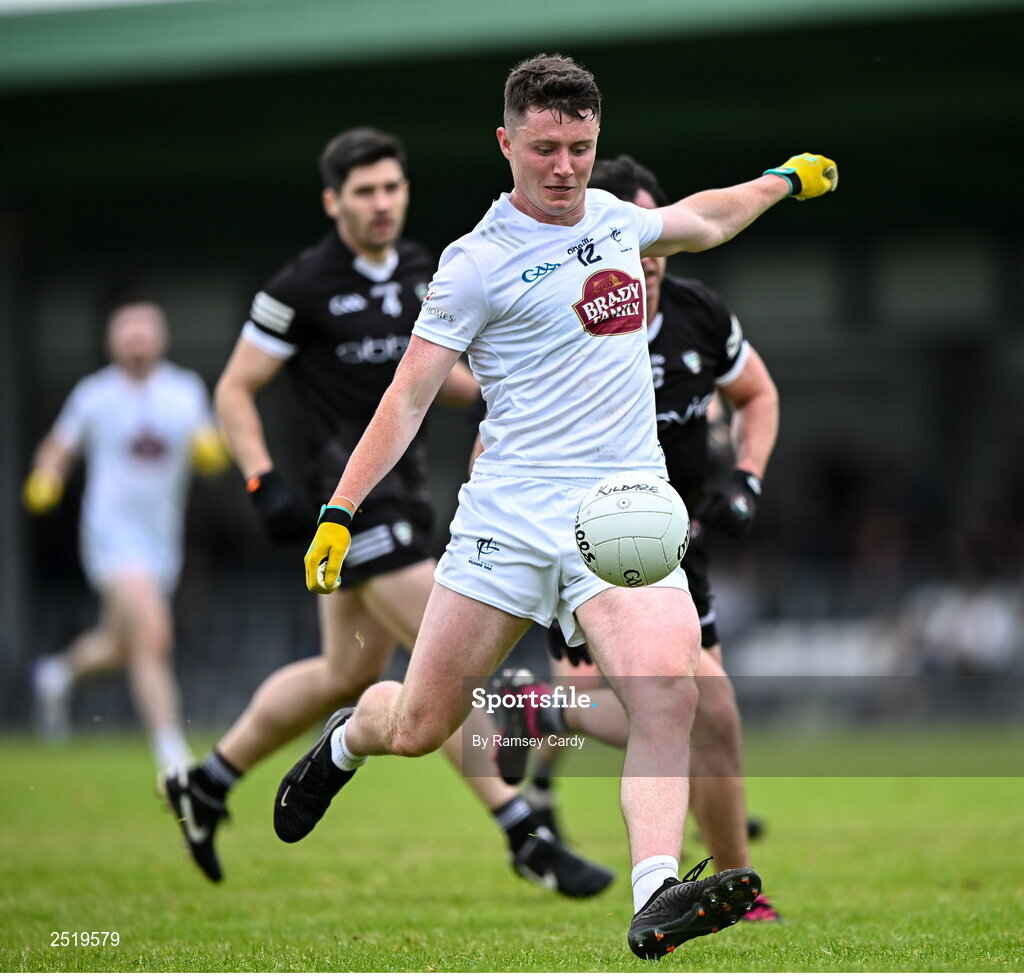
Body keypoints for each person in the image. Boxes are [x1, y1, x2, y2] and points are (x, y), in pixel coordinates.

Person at [279, 55, 836, 959]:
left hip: (623, 507)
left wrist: (780, 181)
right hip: (507, 517)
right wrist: (341, 509)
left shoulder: (620, 222)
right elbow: (408, 398)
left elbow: (705, 218)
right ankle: (348, 740)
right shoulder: (473, 265)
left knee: (667, 694)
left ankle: (657, 888)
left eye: (580, 147)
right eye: (544, 148)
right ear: (507, 144)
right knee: (422, 726)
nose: (564, 167)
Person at [159, 126, 613, 897]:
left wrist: (533, 390)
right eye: (364, 192)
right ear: (333, 201)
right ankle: (523, 835)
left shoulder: (423, 269)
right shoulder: (299, 286)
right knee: (450, 671)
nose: (382, 204)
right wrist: (262, 481)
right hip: (353, 505)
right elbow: (233, 388)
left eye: (392, 188)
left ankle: (206, 781)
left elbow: (444, 378)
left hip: (411, 498)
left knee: (349, 674)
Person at [510, 153, 781, 923]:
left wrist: (748, 476)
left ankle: (543, 713)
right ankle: (735, 889)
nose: (647, 263)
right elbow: (497, 443)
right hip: (586, 544)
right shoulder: (563, 316)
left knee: (708, 719)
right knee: (701, 709)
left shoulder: (700, 313)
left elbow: (757, 394)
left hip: (677, 541)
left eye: (656, 247)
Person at [25, 301, 228, 770]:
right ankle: (171, 751)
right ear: (112, 341)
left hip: (161, 540)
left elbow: (209, 444)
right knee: (154, 633)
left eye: (145, 331)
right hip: (110, 537)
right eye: (128, 332)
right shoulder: (93, 395)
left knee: (123, 645)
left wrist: (212, 450)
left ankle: (55, 675)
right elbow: (56, 448)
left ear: (160, 338)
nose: (137, 340)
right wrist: (47, 475)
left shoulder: (183, 390)